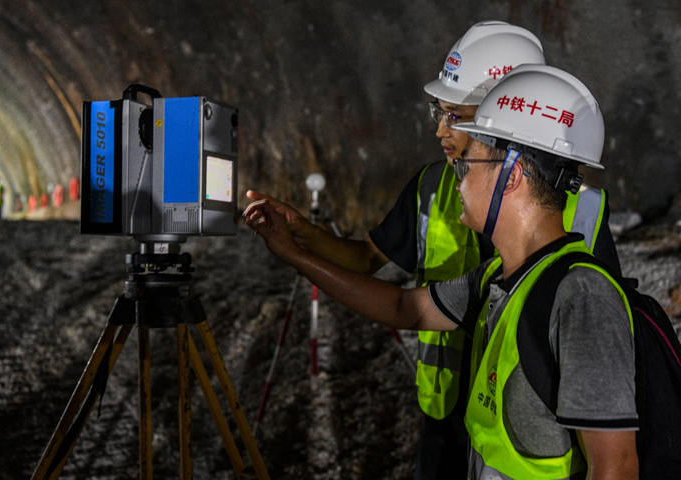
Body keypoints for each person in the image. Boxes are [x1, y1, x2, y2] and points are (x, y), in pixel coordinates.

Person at [246, 21, 622, 479]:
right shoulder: (480, 263)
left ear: (508, 139)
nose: (443, 132)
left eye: (457, 118)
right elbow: (402, 304)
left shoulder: (583, 287)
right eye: (439, 113)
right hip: (456, 409)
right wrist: (298, 244)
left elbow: (613, 449)